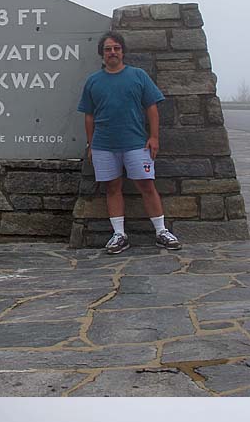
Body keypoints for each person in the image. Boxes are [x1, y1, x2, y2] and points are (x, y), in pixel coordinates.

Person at [78, 31, 181, 255]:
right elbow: (89, 116)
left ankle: (161, 231)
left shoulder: (138, 76)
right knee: (112, 187)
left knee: (146, 185)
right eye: (107, 49)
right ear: (102, 54)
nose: (112, 52)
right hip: (103, 145)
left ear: (122, 51)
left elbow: (152, 107)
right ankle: (119, 234)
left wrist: (154, 137)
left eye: (116, 48)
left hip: (136, 143)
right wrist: (90, 144)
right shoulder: (93, 81)